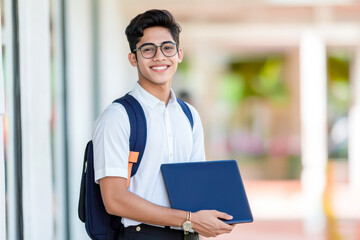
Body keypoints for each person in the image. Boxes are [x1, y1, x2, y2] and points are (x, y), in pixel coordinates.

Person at [92, 9, 234, 240]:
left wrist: (217, 216)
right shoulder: (117, 117)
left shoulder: (189, 116)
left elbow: (196, 186)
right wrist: (189, 219)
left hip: (187, 235)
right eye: (148, 50)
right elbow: (114, 200)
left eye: (167, 48)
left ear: (179, 54)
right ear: (133, 58)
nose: (159, 57)